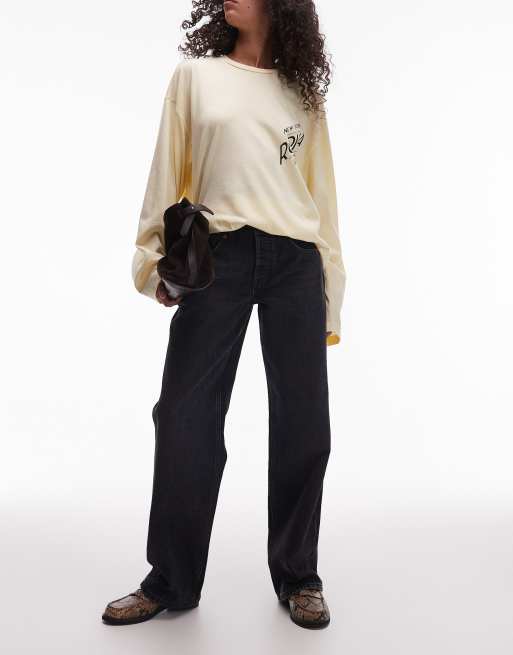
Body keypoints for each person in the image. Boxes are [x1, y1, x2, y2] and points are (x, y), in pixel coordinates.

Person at [102, 0, 346, 630]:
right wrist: (154, 262)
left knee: (305, 425)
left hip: (296, 263)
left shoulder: (302, 94)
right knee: (183, 416)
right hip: (219, 257)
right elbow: (166, 173)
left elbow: (321, 197)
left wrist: (331, 289)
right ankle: (171, 580)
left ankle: (299, 576)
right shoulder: (196, 77)